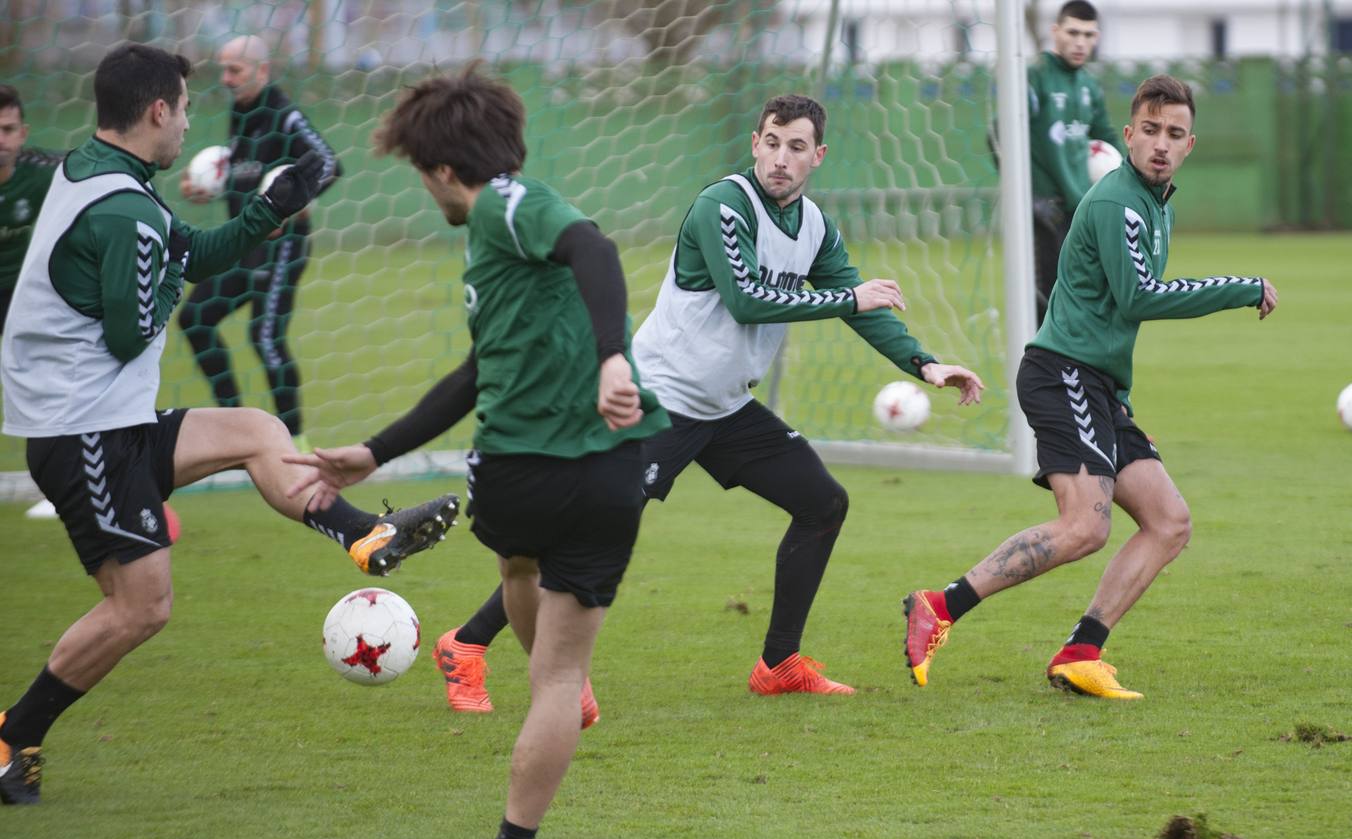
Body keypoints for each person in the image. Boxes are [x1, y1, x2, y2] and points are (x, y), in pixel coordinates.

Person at [294, 93, 984, 718]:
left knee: (822, 503)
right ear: (754, 142)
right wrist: (846, 298)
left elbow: (859, 302)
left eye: (796, 146)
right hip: (658, 398)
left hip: (725, 408)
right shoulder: (724, 206)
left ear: (818, 156)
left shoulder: (814, 228)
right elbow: (749, 299)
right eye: (772, 141)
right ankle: (465, 644)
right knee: (582, 538)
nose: (781, 157)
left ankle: (778, 665)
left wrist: (925, 364)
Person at [0, 44, 457, 807]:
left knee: (255, 429)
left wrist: (270, 207)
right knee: (140, 606)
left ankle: (363, 536)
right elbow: (130, 329)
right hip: (85, 434)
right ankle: (17, 732)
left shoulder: (98, 172)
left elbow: (195, 253)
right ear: (156, 110)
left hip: (108, 420)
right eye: (182, 105)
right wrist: (164, 271)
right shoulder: (123, 211)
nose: (188, 120)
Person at [287, 63, 669, 839]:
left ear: (447, 172)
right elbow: (476, 370)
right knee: (557, 669)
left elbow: (593, 246)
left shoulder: (504, 203)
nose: (427, 190)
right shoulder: (497, 236)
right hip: (608, 470)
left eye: (424, 176)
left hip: (521, 473)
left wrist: (611, 355)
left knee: (523, 583)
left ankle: (554, 697)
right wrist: (376, 450)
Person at [903, 74, 1279, 700]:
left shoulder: (1158, 203)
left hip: (1097, 384)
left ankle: (1081, 651)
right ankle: (938, 606)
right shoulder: (1115, 203)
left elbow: (1112, 310)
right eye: (1151, 131)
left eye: (1175, 134)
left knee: (1169, 520)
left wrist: (1119, 403)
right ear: (1127, 136)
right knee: (1085, 527)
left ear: (1190, 145)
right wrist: (1240, 288)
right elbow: (1140, 297)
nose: (1161, 144)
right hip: (1061, 374)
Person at [177, 35, 342, 449]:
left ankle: (295, 442)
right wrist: (206, 188)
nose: (227, 79)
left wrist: (298, 200)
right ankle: (233, 424)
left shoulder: (282, 113)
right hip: (244, 245)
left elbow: (329, 162)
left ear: (262, 71)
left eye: (236, 70)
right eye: (223, 70)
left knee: (264, 337)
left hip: (282, 246)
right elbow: (243, 174)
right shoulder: (240, 113)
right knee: (195, 318)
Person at [1028, 1, 1122, 326]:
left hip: (1081, 212)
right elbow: (1000, 135)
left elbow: (1108, 139)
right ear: (1055, 32)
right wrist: (1028, 198)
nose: (1080, 42)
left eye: (1088, 35)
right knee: (1046, 306)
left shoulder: (1088, 86)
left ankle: (1076, 376)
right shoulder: (1035, 76)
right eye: (1072, 32)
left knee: (1083, 303)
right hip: (1044, 213)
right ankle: (1036, 376)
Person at [0, 85, 63, 338]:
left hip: (17, 292)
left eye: (8, 129)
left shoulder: (42, 172)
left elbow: (99, 165)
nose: (0, 139)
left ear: (23, 133)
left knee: (42, 365)